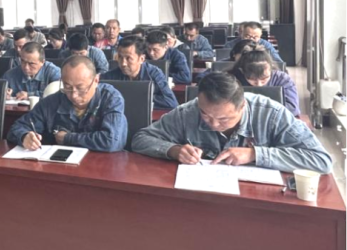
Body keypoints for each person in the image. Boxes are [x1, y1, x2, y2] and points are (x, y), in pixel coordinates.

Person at [131, 72, 331, 174]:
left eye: (223, 119)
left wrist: (255, 154)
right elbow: (140, 138)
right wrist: (173, 150)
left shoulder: (273, 114)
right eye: (205, 114)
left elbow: (321, 160)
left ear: (242, 106)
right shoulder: (189, 112)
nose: (213, 123)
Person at [7, 55, 127, 152]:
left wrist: (68, 138)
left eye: (81, 88)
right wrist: (24, 136)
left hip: (101, 167)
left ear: (96, 81)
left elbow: (112, 141)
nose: (73, 95)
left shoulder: (110, 98)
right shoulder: (53, 102)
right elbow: (16, 128)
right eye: (67, 87)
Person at [101, 36, 178, 110]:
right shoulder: (109, 77)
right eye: (120, 57)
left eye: (128, 58)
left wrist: (136, 97)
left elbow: (171, 102)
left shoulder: (154, 74)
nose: (123, 63)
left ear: (141, 59)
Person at [229, 48, 300, 116]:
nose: (259, 84)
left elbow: (292, 108)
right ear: (242, 71)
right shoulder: (232, 79)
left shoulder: (282, 79)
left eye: (264, 79)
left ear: (271, 69)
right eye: (252, 79)